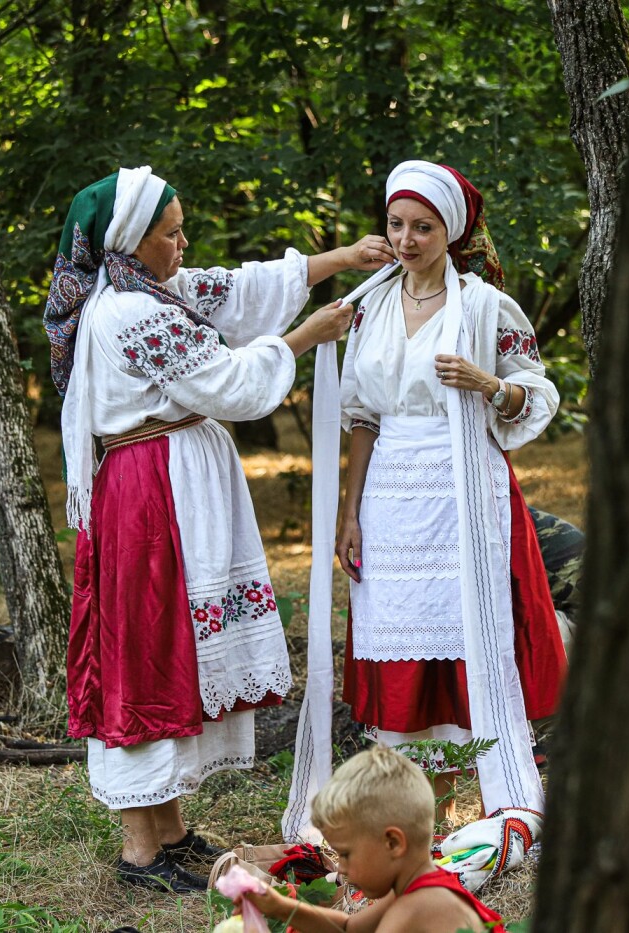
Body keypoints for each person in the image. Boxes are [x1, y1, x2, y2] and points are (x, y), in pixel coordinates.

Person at [45, 166, 393, 893]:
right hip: (149, 499)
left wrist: (341, 259)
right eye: (171, 232)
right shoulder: (128, 314)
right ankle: (142, 850)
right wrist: (307, 336)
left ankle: (169, 833)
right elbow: (231, 382)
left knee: (173, 652)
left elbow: (234, 291)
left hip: (167, 485)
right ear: (130, 241)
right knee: (147, 656)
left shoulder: (148, 286)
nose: (184, 242)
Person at [334, 160, 566, 820]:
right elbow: (361, 416)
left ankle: (487, 800)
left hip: (463, 485)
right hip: (391, 497)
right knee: (406, 649)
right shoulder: (370, 305)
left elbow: (539, 391)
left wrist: (490, 385)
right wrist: (349, 514)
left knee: (465, 640)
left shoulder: (487, 305)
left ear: (451, 231)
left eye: (423, 227)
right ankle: (416, 806)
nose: (406, 240)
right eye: (396, 224)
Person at [238, 746, 504, 932]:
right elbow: (348, 928)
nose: (340, 867)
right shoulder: (412, 893)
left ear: (393, 843)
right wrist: (281, 907)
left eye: (345, 854)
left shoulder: (422, 906)